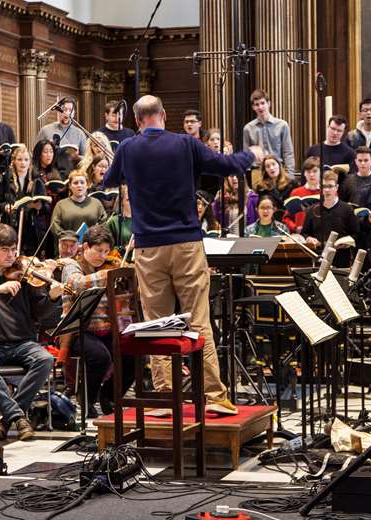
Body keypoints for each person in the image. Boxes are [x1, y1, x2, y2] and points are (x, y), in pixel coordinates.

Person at [104, 94, 264, 415]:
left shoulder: (128, 148)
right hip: (187, 243)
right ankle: (214, 397)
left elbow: (109, 180)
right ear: (163, 114)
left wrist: (126, 162)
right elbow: (225, 165)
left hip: (148, 247)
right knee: (198, 320)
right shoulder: (184, 144)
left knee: (156, 324)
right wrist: (252, 155)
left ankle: (165, 395)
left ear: (137, 120)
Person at [0, 224, 57, 441]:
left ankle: (7, 420)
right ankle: (18, 416)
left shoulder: (23, 276)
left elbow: (43, 315)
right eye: (5, 250)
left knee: (44, 359)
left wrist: (52, 297)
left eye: (14, 249)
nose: (12, 255)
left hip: (22, 342)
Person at [60, 225, 135, 417]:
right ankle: (86, 399)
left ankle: (108, 395)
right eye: (98, 251)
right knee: (101, 357)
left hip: (107, 329)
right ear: (85, 247)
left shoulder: (107, 265)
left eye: (106, 251)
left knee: (135, 356)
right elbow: (75, 283)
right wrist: (107, 275)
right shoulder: (72, 265)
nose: (103, 256)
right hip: (79, 330)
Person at [0, 144, 51, 256]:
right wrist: (5, 207)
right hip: (11, 224)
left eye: (26, 160)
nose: (23, 163)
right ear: (13, 161)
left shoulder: (37, 180)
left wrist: (39, 207)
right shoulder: (5, 180)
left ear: (30, 162)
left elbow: (47, 207)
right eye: (19, 159)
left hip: (31, 228)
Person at [301, 170, 359, 268]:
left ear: (336, 188)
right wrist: (308, 238)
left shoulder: (347, 209)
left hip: (341, 257)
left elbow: (356, 233)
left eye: (330, 186)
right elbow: (304, 232)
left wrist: (348, 242)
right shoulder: (312, 210)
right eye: (324, 186)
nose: (327, 190)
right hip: (318, 257)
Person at [242, 89, 295, 175]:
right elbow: (246, 155)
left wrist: (290, 176)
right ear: (253, 107)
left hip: (278, 170)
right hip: (257, 171)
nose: (260, 107)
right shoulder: (248, 129)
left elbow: (288, 153)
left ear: (268, 103)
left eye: (263, 103)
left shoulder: (282, 125)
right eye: (257, 104)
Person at [51, 170, 107, 239]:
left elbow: (103, 225)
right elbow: (55, 228)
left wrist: (92, 240)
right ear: (70, 186)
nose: (79, 185)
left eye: (82, 182)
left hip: (91, 246)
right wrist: (71, 241)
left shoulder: (96, 203)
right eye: (75, 183)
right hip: (68, 246)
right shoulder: (61, 205)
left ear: (87, 185)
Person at [282, 156, 321, 233]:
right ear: (304, 174)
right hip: (301, 236)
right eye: (308, 172)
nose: (311, 174)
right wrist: (295, 228)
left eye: (314, 171)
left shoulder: (327, 191)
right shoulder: (296, 193)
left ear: (321, 172)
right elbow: (286, 218)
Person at [105, 185, 133, 254]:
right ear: (122, 202)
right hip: (122, 262)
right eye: (128, 200)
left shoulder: (143, 221)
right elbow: (107, 248)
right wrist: (126, 248)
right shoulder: (113, 222)